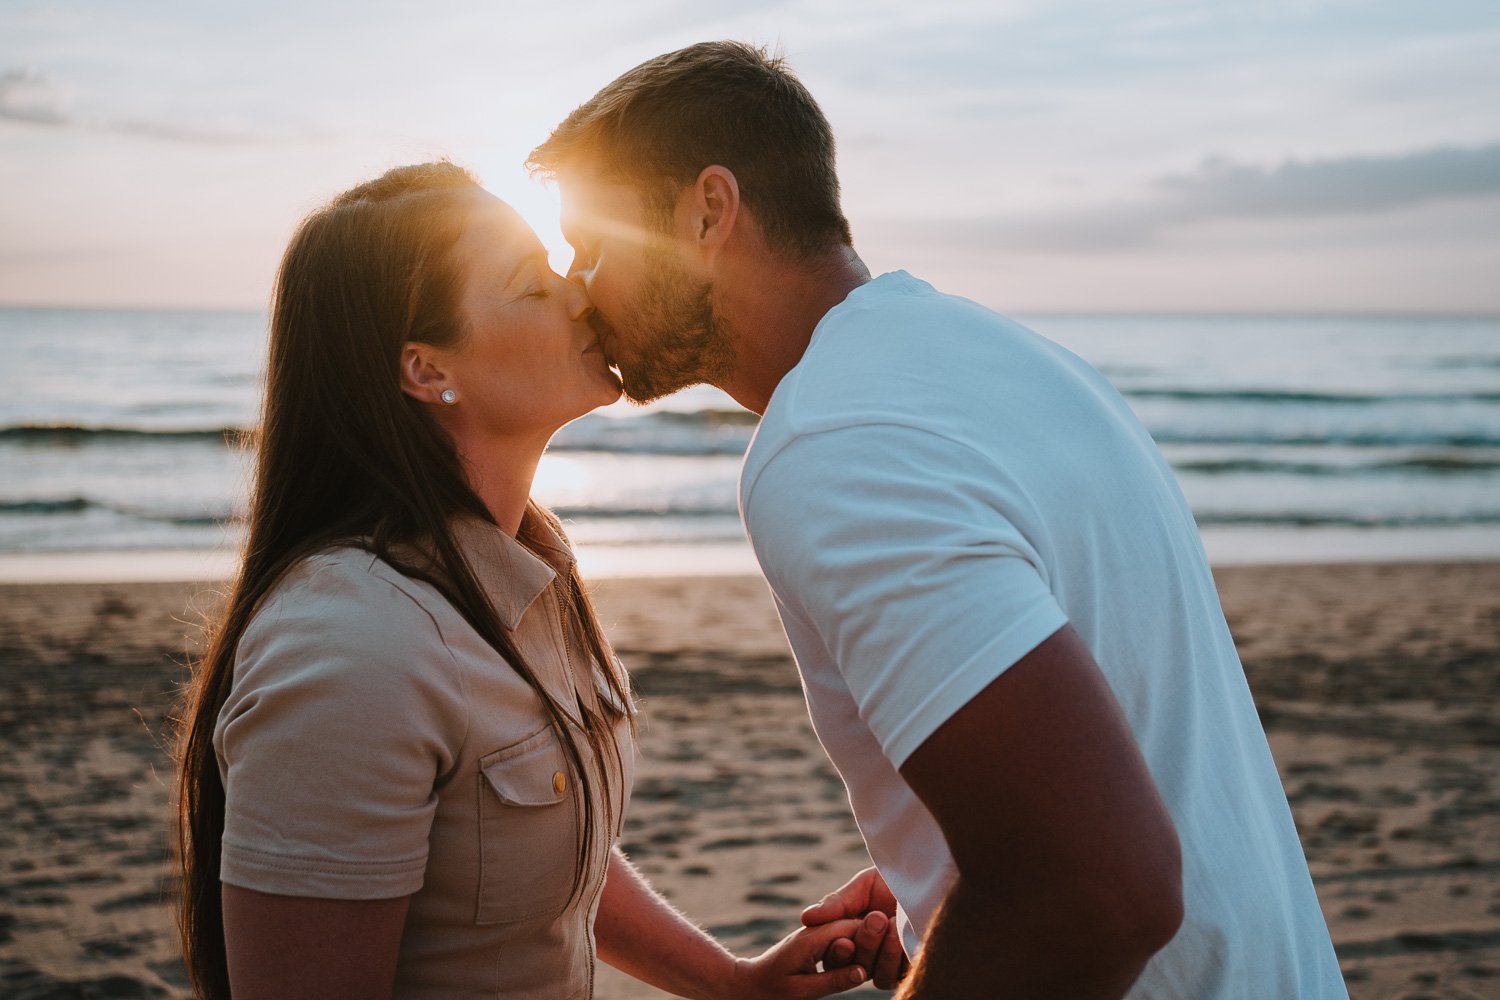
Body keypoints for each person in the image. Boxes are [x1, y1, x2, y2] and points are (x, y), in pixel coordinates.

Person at [527, 41, 1351, 998]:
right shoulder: (1009, 361)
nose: (579, 283)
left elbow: (1099, 887)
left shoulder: (830, 443)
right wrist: (956, 898)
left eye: (593, 243)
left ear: (707, 211)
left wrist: (1010, 905)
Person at [172, 161, 883, 1000]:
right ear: (428, 370)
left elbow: (530, 848)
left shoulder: (523, 570)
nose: (579, 292)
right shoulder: (350, 648)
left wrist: (731, 982)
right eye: (528, 283)